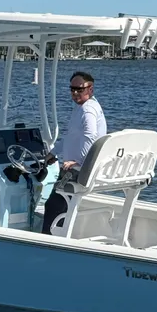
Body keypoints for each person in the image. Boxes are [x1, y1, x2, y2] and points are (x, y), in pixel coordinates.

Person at [41, 71, 107, 233]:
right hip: (75, 168)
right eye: (72, 89)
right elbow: (71, 138)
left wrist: (80, 163)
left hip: (75, 171)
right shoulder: (84, 107)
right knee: (61, 205)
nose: (75, 93)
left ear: (90, 89)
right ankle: (59, 234)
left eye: (80, 89)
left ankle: (48, 241)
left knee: (54, 205)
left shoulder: (87, 110)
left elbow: (91, 137)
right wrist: (53, 154)